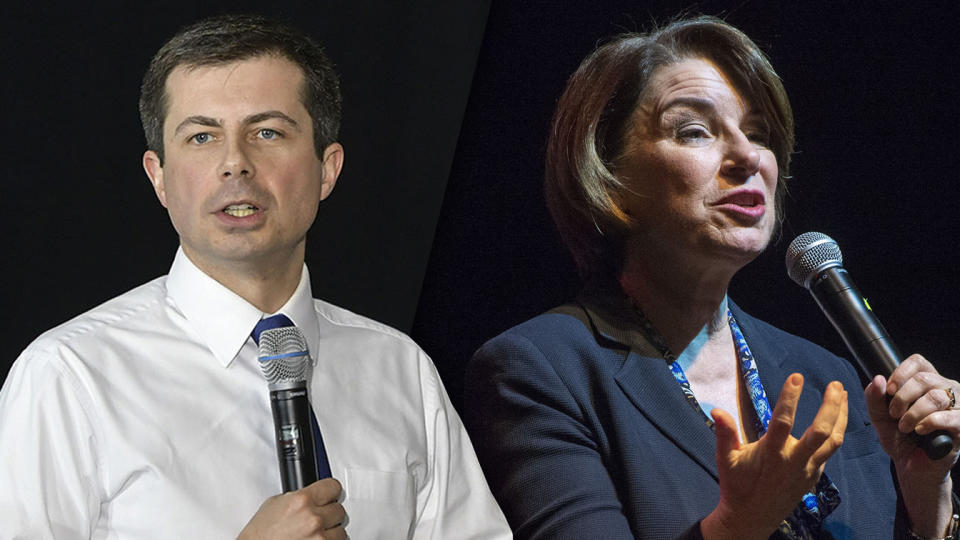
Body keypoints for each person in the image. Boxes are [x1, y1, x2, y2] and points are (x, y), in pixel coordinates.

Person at [0, 14, 509, 539]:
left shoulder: (401, 371)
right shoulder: (69, 376)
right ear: (159, 178)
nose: (235, 163)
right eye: (201, 137)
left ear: (327, 169)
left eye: (267, 132)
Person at [464, 16, 960, 540]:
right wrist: (738, 525)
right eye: (694, 131)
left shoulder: (827, 375)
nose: (747, 156)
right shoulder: (540, 369)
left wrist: (927, 502)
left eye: (759, 134)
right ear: (611, 180)